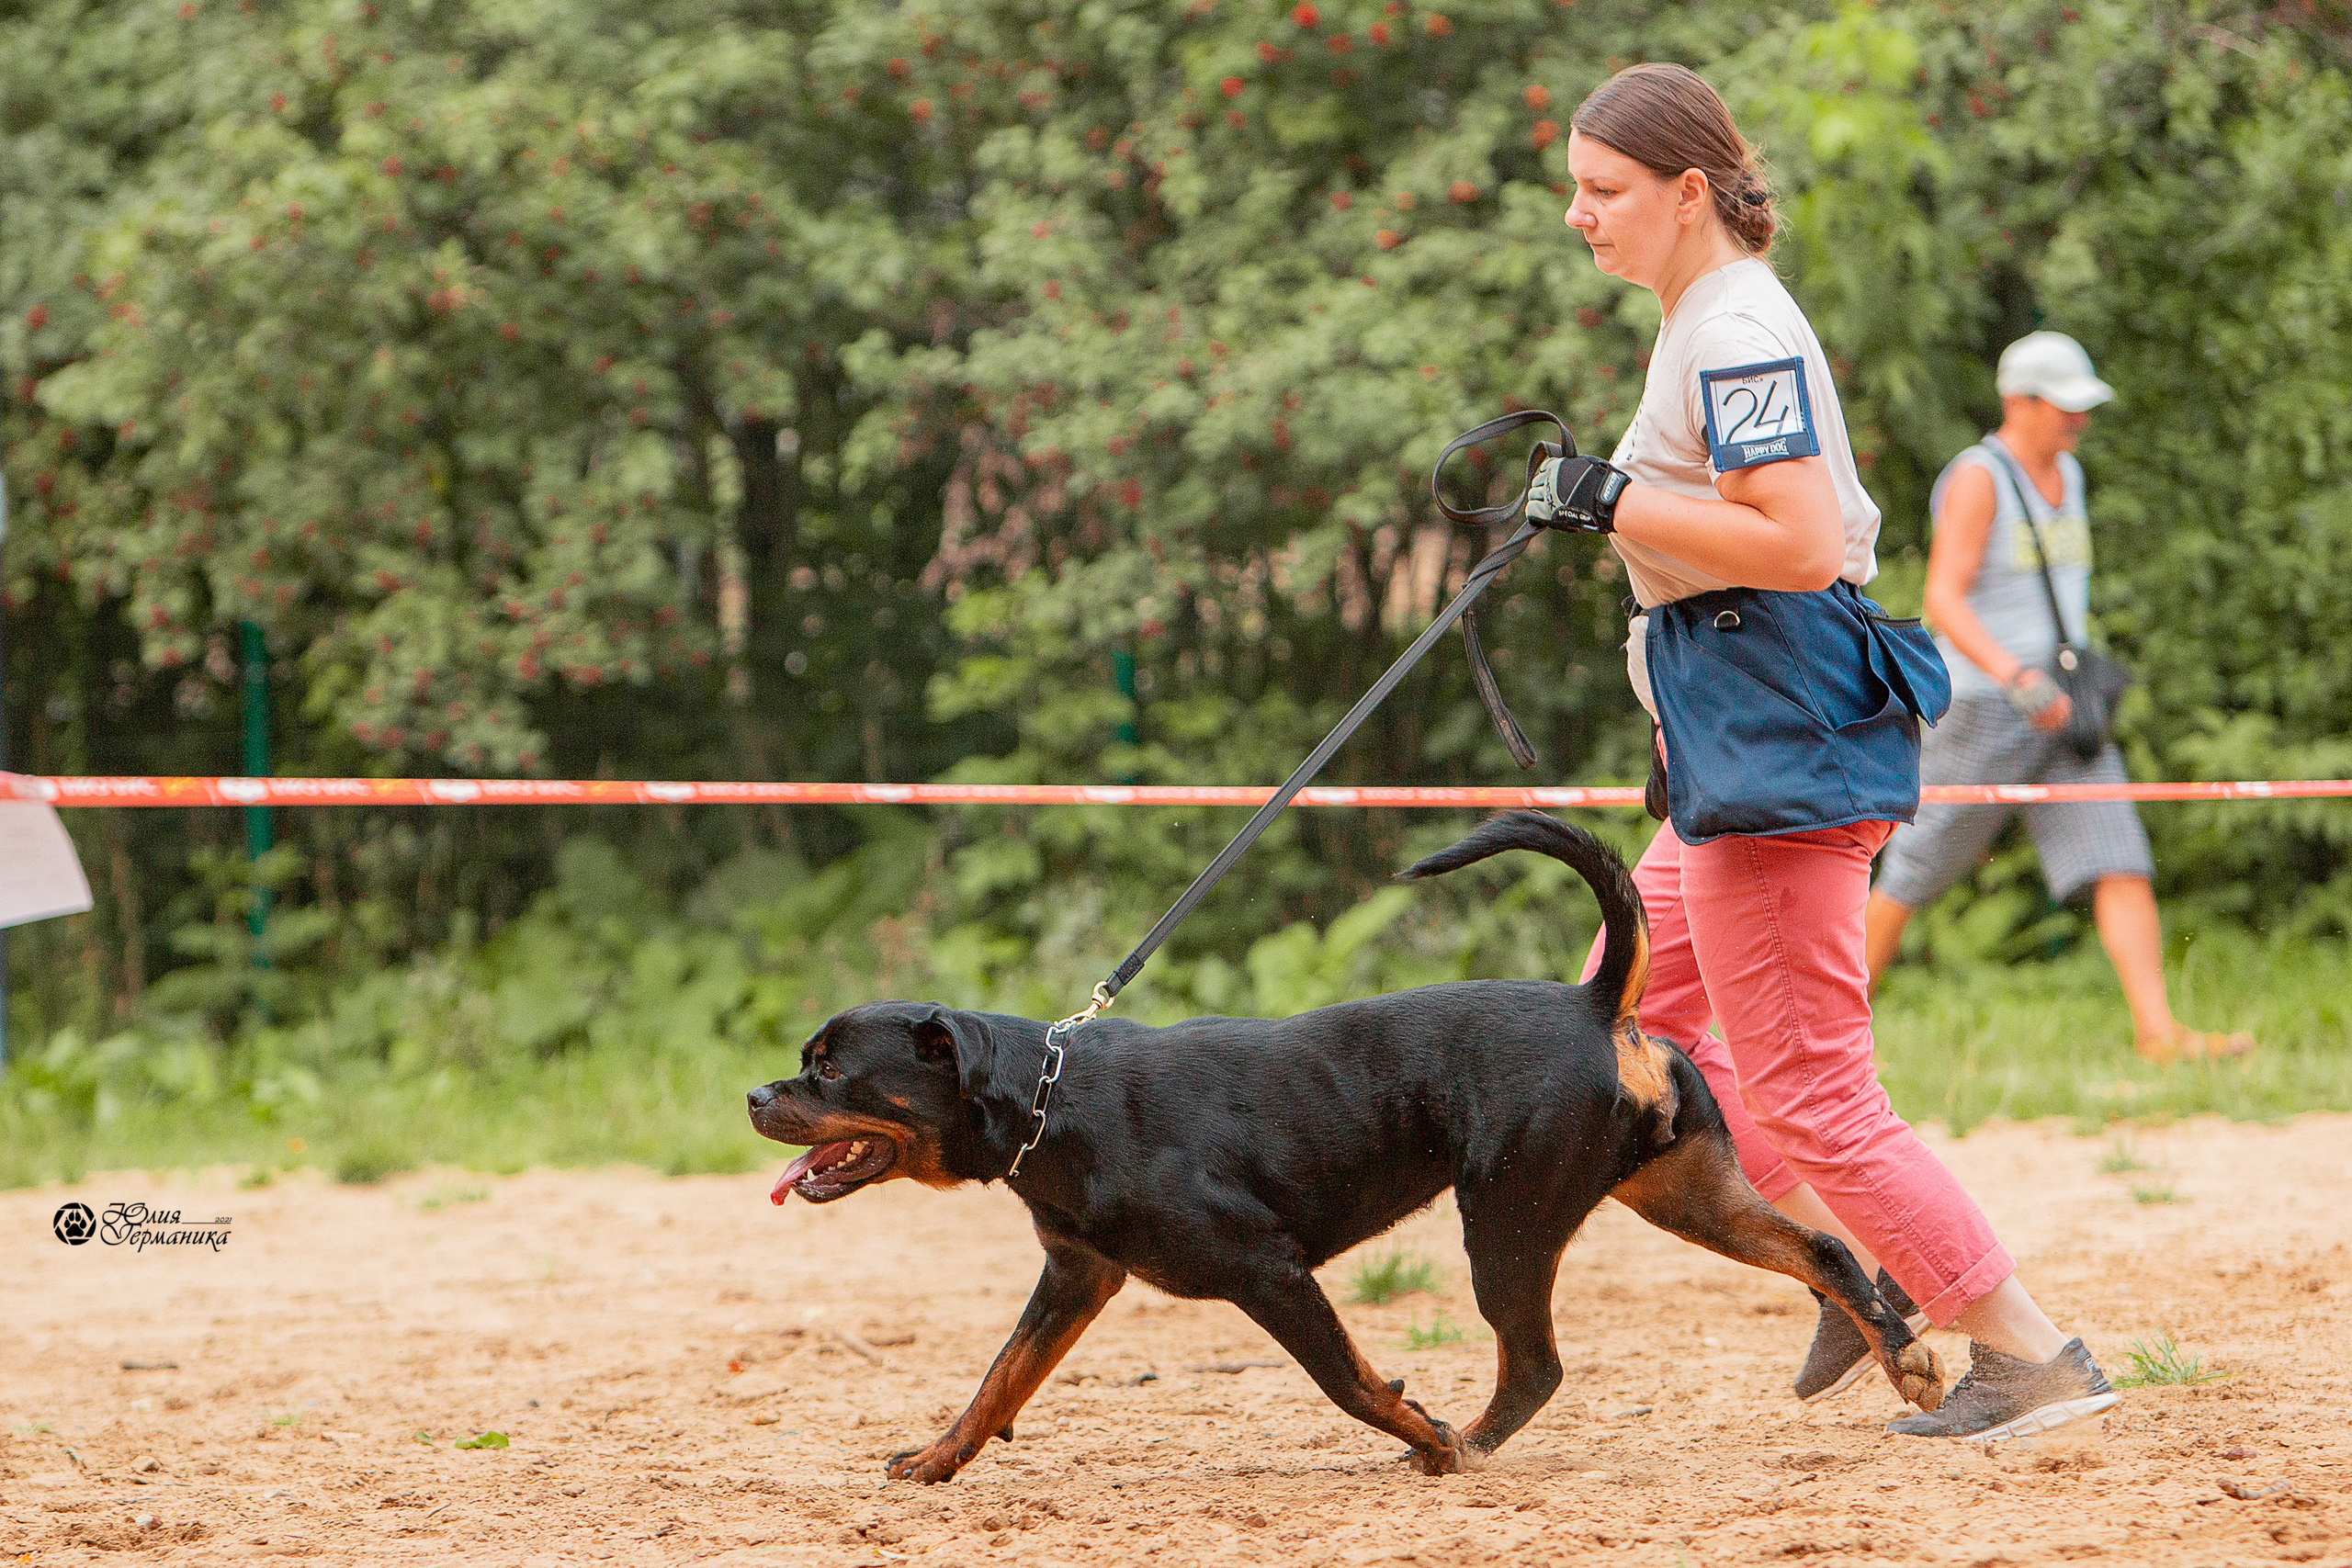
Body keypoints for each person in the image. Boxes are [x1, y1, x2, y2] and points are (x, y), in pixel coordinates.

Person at [1537, 63, 2116, 1440]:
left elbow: (1796, 543)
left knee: (1808, 1085)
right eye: (1576, 188)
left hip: (1778, 740)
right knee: (1606, 1035)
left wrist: (1618, 497)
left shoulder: (1737, 327)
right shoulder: (1702, 318)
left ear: (1689, 195)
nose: (1578, 215)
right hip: (1734, 736)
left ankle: (2032, 1355)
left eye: (1603, 190)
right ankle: (1854, 1268)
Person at [1864, 333, 2256, 1063]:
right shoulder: (1981, 477)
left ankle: (2158, 1034)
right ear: (2020, 401)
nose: (2078, 420)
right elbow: (1943, 599)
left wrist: (2053, 681)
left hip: (2065, 706)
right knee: (1914, 866)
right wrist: (2017, 676)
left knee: (2119, 854)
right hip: (1988, 701)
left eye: (2083, 406)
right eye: (2065, 406)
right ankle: (1829, 1044)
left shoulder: (2068, 474)